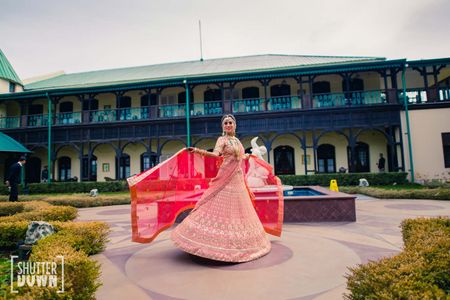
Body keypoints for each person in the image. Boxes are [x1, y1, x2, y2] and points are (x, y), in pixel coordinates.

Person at [171, 114, 271, 262]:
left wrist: (248, 157)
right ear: (223, 127)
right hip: (225, 176)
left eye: (231, 122)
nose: (229, 125)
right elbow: (216, 154)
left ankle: (240, 243)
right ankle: (207, 243)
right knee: (217, 204)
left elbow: (239, 157)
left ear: (235, 125)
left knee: (238, 209)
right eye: (226, 123)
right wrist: (198, 150)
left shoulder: (237, 140)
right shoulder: (222, 140)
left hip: (237, 177)